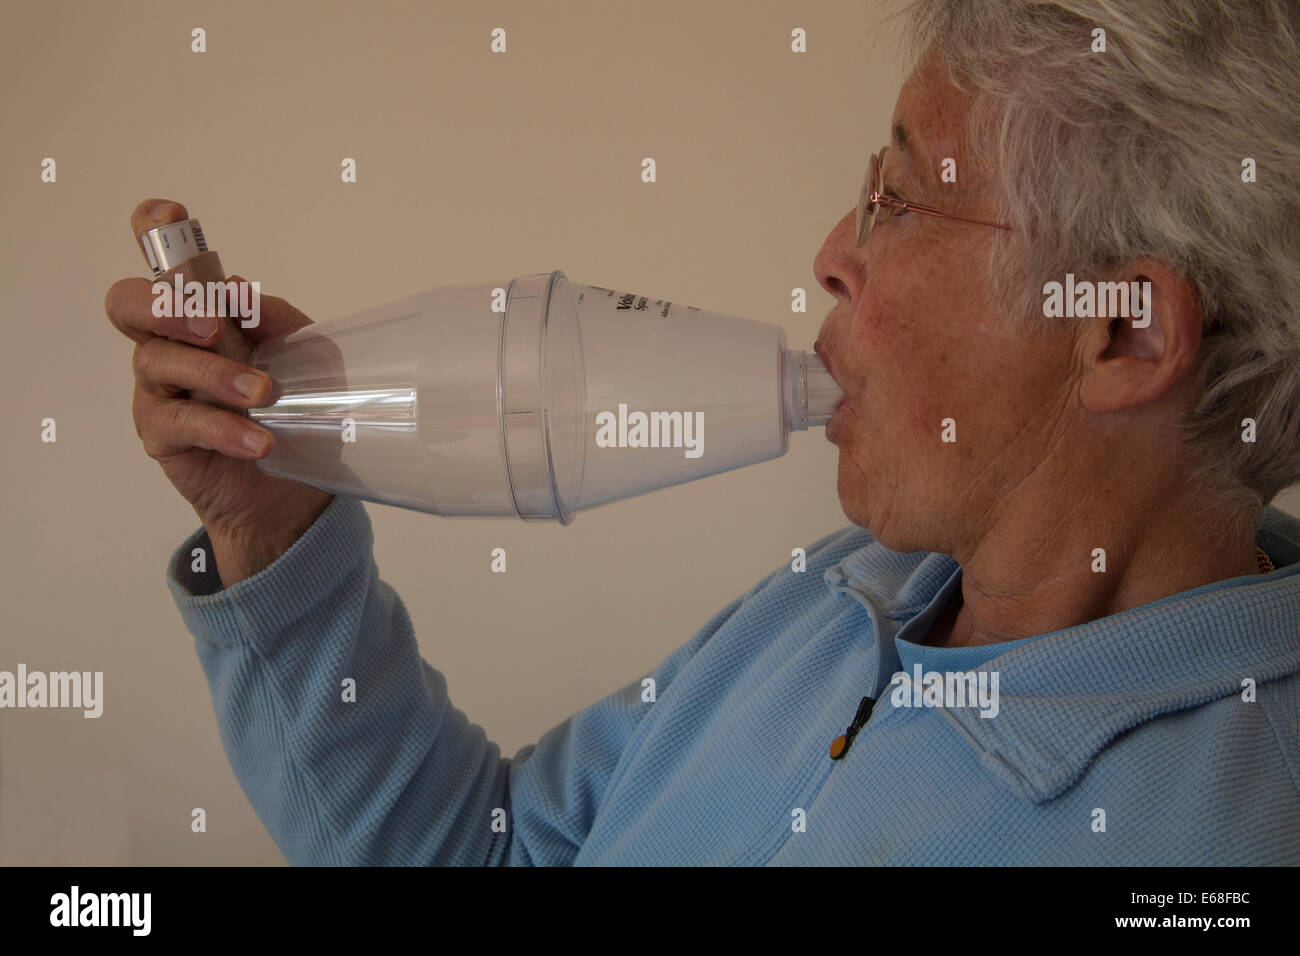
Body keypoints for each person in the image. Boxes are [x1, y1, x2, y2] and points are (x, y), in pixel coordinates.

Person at [105, 0, 1300, 864]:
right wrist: (269, 521)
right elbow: (491, 852)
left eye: (898, 196)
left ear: (1124, 332)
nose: (834, 252)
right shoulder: (851, 593)